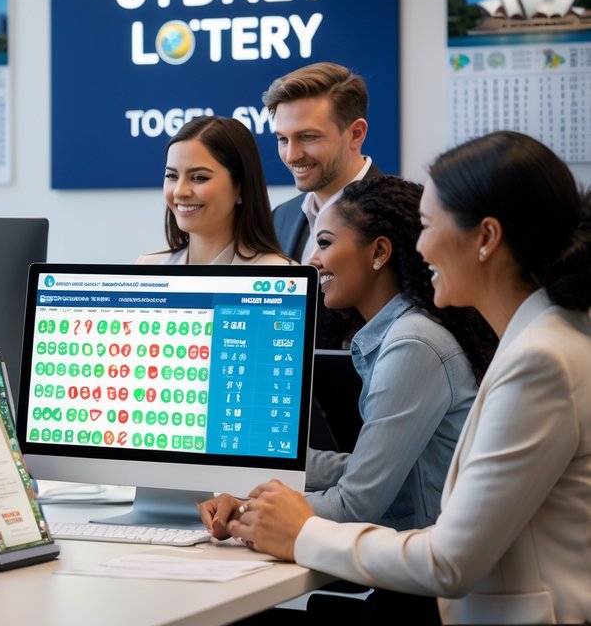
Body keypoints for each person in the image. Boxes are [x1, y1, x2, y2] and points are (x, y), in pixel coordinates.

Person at [214, 132, 591, 625]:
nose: (421, 245)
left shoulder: (539, 360)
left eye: (428, 226)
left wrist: (297, 530)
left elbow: (448, 561)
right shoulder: (544, 337)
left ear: (486, 238)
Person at [200, 175, 497, 622]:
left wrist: (247, 509)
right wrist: (261, 474)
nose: (312, 260)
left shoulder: (411, 344)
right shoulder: (398, 334)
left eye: (324, 243)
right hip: (411, 582)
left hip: (426, 599)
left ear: (379, 252)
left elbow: (357, 503)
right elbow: (367, 469)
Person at [265, 62, 383, 349]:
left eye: (308, 137)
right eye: (283, 139)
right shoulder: (282, 217)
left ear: (356, 134)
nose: (292, 155)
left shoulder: (400, 216)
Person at [137, 115, 289, 265]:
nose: (179, 192)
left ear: (241, 186)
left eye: (198, 177)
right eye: (172, 176)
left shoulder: (280, 275)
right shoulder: (147, 267)